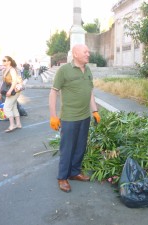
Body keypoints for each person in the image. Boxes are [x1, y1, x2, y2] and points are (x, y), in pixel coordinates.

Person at [49, 44, 101, 193]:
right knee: (67, 148)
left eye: (88, 51)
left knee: (80, 146)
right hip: (69, 118)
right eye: (85, 51)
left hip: (85, 116)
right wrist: (53, 116)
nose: (88, 53)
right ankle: (62, 177)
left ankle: (74, 172)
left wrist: (95, 111)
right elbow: (53, 92)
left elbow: (90, 91)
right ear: (75, 54)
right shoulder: (64, 70)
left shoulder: (88, 69)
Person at [0, 56, 22, 132]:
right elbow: (3, 83)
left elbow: (14, 81)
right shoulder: (4, 70)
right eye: (2, 60)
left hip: (14, 91)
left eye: (4, 60)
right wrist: (0, 93)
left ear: (9, 62)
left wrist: (10, 91)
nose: (3, 62)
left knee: (7, 108)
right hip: (10, 90)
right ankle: (18, 124)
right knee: (13, 107)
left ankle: (12, 125)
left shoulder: (12, 70)